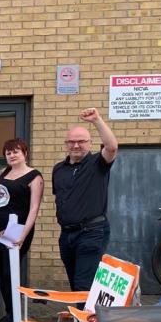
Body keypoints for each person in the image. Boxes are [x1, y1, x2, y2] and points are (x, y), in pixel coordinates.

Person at [53, 108, 119, 292]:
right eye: (72, 142)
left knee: (84, 284)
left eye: (81, 142)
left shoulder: (98, 163)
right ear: (66, 144)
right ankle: (83, 319)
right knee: (75, 283)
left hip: (91, 231)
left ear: (90, 143)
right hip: (66, 235)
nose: (76, 146)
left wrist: (97, 120)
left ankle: (86, 320)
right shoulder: (59, 169)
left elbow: (112, 147)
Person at [0, 139, 43, 322]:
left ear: (25, 153)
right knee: (1, 273)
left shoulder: (34, 176)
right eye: (9, 152)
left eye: (16, 152)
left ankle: (17, 320)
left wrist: (22, 234)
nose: (12, 155)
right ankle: (10, 313)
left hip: (16, 230)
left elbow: (34, 208)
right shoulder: (4, 172)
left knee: (11, 273)